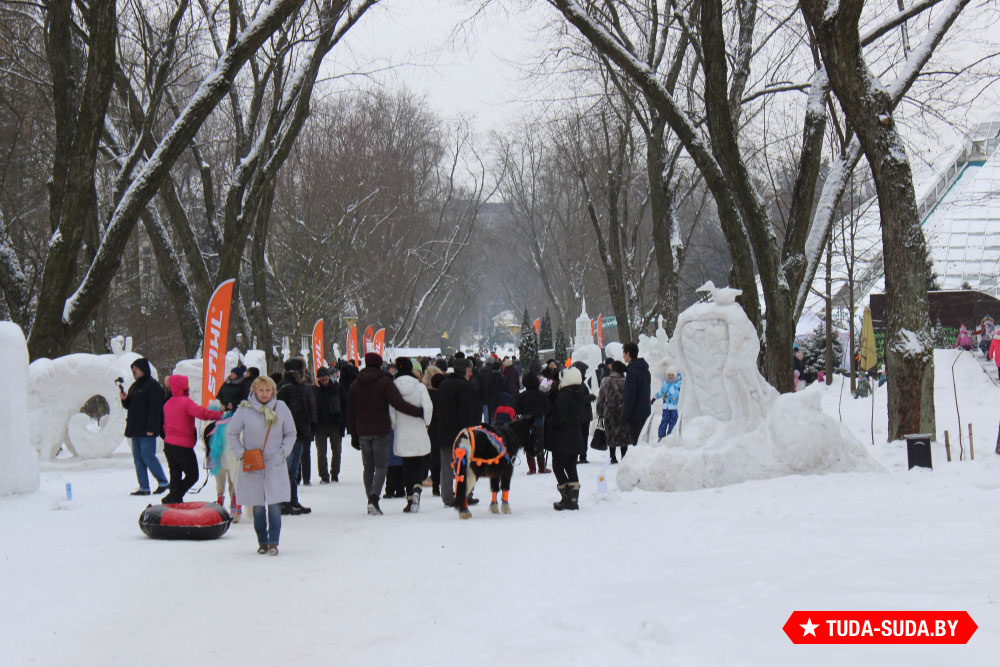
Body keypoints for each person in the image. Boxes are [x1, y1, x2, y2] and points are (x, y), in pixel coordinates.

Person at [347, 352, 424, 515]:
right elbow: (399, 403)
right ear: (379, 365)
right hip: (381, 430)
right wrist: (418, 412)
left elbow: (350, 412)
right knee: (381, 466)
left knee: (368, 467)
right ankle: (374, 499)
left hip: (363, 431)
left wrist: (353, 434)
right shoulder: (384, 383)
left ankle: (370, 499)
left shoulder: (354, 385)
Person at [227, 376, 296, 556]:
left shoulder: (280, 408)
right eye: (261, 390)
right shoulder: (244, 410)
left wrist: (283, 452)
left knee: (274, 505)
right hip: (253, 464)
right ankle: (262, 542)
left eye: (268, 390)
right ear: (254, 391)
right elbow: (232, 433)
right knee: (257, 507)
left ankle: (273, 542)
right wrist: (241, 454)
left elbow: (291, 433)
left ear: (273, 391)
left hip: (275, 463)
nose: (264, 394)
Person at [161, 375, 222, 504]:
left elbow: (165, 425)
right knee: (193, 475)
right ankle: (173, 498)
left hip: (169, 445)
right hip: (183, 447)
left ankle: (174, 500)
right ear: (183, 386)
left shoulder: (168, 403)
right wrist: (219, 414)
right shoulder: (186, 402)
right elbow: (202, 414)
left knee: (175, 475)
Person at [435, 358, 482, 508]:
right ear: (466, 370)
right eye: (470, 369)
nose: (471, 372)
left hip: (444, 431)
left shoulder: (443, 385)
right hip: (461, 434)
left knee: (447, 466)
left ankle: (448, 497)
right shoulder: (465, 386)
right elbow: (466, 412)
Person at [120, 358, 169, 496]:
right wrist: (124, 399)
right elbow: (130, 405)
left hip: (147, 429)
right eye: (133, 369)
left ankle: (163, 481)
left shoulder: (152, 386)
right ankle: (144, 487)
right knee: (137, 458)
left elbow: (155, 409)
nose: (134, 371)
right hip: (135, 428)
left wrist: (152, 428)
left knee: (148, 456)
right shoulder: (134, 386)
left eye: (136, 368)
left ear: (143, 369)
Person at [390, 358, 433, 513]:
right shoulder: (420, 386)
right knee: (419, 464)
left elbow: (391, 410)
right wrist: (426, 422)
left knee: (407, 466)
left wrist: (395, 424)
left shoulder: (393, 387)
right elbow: (428, 406)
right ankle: (417, 490)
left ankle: (409, 498)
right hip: (419, 430)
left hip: (402, 431)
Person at [548, 367, 591, 511]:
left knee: (558, 466)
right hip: (576, 435)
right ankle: (573, 499)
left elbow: (558, 417)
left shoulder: (564, 395)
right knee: (571, 466)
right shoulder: (580, 393)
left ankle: (566, 496)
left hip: (562, 437)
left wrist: (551, 420)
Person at [277, 362, 316, 515]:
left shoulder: (281, 386)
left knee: (290, 470)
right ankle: (287, 502)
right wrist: (305, 428)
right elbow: (296, 411)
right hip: (294, 433)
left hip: (286, 432)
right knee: (290, 470)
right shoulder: (293, 388)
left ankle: (290, 501)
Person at [515, 372, 550, 474]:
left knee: (528, 442)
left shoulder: (522, 396)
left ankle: (532, 468)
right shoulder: (542, 395)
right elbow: (547, 408)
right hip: (539, 420)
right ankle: (542, 467)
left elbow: (517, 409)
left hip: (525, 421)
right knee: (539, 442)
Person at [314, 367, 345, 483]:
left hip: (335, 424)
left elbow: (344, 404)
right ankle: (324, 476)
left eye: (325, 376)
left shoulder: (338, 388)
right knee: (321, 453)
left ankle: (335, 474)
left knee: (337, 451)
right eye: (321, 376)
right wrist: (316, 389)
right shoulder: (315, 390)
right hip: (320, 425)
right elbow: (312, 404)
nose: (324, 378)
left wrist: (343, 422)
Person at [596, 360, 628, 463]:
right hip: (623, 411)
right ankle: (624, 455)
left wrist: (600, 412)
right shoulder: (626, 381)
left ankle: (612, 456)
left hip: (609, 411)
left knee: (611, 434)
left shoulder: (606, 381)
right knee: (623, 434)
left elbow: (601, 398)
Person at [621, 342, 651, 449]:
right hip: (645, 412)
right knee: (644, 444)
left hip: (635, 415)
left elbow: (630, 396)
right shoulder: (645, 370)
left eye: (624, 353)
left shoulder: (632, 371)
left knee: (637, 445)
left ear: (628, 353)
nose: (623, 356)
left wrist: (625, 416)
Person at [423, 366, 445, 494]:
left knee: (427, 454)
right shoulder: (442, 393)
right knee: (438, 456)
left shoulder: (425, 394)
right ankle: (436, 484)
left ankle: (424, 477)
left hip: (427, 426)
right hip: (439, 426)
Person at [651, 368, 682, 441]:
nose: (670, 376)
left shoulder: (677, 384)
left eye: (672, 375)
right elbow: (660, 392)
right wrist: (654, 398)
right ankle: (661, 436)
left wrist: (679, 370)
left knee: (673, 422)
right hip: (666, 407)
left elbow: (682, 378)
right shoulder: (665, 384)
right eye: (668, 375)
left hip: (674, 407)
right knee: (664, 421)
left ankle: (670, 436)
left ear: (675, 375)